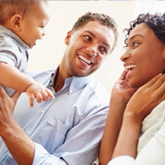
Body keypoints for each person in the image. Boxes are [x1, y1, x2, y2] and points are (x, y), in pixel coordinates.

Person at [0, 12, 118, 165]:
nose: (93, 51)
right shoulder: (26, 79)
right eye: (87, 38)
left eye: (103, 49)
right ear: (68, 37)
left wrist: (7, 126)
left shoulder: (99, 109)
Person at [99, 12, 165, 165]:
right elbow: (108, 162)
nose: (123, 56)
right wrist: (118, 101)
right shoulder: (144, 105)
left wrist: (132, 117)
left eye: (135, 44)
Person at [0, 0, 54, 107]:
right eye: (41, 26)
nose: (44, 33)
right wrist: (29, 85)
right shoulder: (8, 43)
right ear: (17, 23)